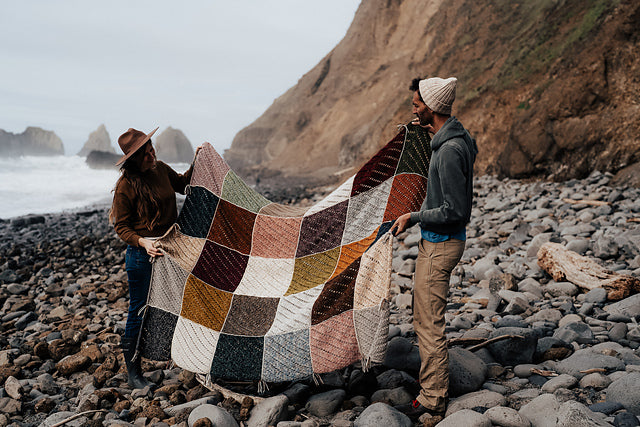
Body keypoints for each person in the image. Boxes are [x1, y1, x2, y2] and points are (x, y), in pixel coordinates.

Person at [392, 77, 478, 419]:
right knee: (424, 317)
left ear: (433, 107)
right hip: (442, 242)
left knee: (428, 323)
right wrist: (426, 132)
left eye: (417, 106)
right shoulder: (456, 138)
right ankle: (432, 386)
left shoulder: (449, 151)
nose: (413, 110)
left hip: (441, 244)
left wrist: (413, 215)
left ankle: (432, 398)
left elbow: (456, 210)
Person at [109, 127, 199, 388]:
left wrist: (198, 161)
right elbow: (121, 227)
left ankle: (191, 357)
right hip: (142, 257)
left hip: (170, 250)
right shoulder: (126, 186)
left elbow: (182, 185)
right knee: (139, 310)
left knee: (184, 302)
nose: (151, 153)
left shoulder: (160, 169)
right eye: (145, 152)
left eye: (151, 148)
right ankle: (134, 373)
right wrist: (142, 241)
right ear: (133, 159)